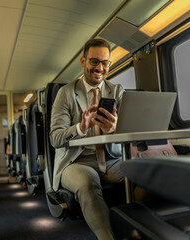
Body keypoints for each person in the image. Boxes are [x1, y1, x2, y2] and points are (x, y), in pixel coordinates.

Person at [50, 38, 124, 240]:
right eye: (94, 61)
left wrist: (115, 129)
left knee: (143, 173)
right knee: (87, 181)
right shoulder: (65, 93)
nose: (99, 68)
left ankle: (134, 229)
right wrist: (81, 128)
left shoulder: (117, 91)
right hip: (75, 161)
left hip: (110, 159)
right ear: (83, 61)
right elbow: (55, 139)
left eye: (105, 62)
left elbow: (130, 130)